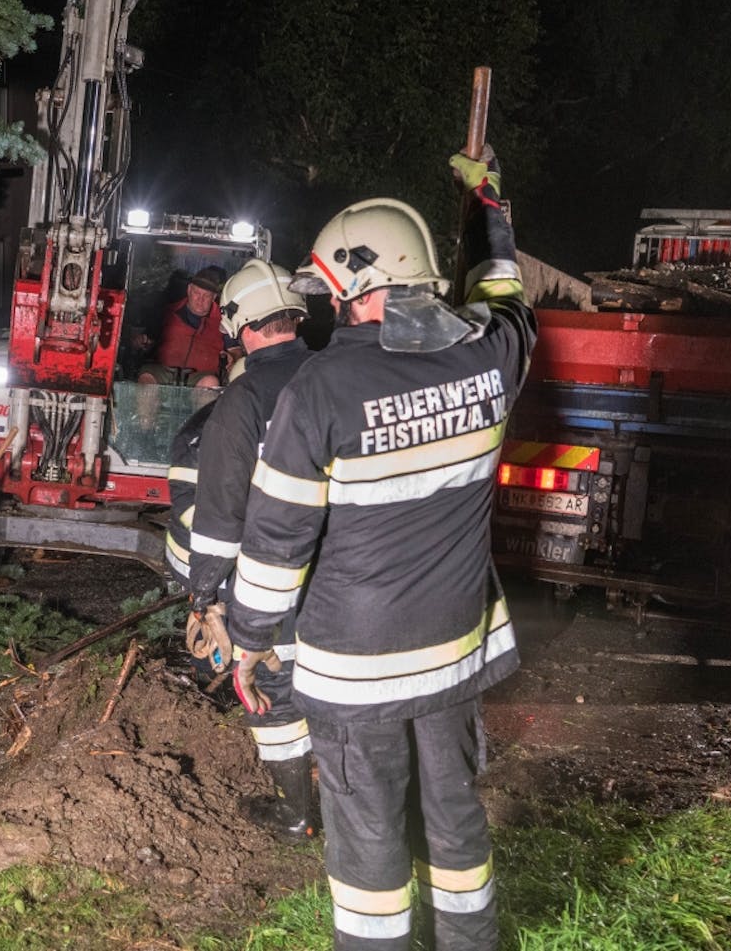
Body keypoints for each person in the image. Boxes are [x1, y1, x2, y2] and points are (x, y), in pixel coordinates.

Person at [226, 148, 535, 950]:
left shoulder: (320, 392)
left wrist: (249, 640)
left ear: (364, 287)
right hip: (454, 657)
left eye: (330, 290)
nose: (324, 306)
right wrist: (487, 204)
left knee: (369, 845)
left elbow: (274, 542)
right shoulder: (493, 359)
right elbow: (504, 293)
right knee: (455, 820)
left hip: (355, 670)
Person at [182, 258, 316, 841]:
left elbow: (219, 514)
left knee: (272, 683)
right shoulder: (334, 376)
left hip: (273, 577)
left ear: (239, 324)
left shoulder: (242, 401)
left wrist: (203, 590)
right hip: (349, 576)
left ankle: (297, 812)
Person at [138, 265, 227, 387]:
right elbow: (147, 339)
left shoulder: (224, 321)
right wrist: (141, 341)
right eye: (197, 293)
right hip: (165, 372)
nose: (200, 299)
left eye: (206, 296)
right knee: (146, 378)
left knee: (211, 382)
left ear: (214, 298)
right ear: (189, 290)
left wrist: (232, 357)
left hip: (201, 376)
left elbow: (235, 352)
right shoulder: (167, 313)